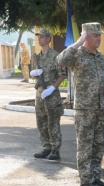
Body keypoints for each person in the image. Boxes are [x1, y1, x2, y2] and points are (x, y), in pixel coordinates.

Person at [57, 22, 104, 186]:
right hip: (85, 108)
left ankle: (95, 177)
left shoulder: (101, 57)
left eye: (99, 35)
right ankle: (86, 180)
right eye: (95, 35)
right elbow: (60, 60)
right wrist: (78, 42)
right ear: (85, 36)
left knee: (98, 145)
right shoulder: (77, 55)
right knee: (85, 145)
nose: (99, 38)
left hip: (101, 108)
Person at [31, 29, 66, 160]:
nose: (39, 39)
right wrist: (33, 74)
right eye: (38, 37)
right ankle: (46, 147)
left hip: (51, 94)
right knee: (41, 121)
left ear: (48, 39)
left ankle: (55, 149)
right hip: (40, 94)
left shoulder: (56, 56)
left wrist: (52, 88)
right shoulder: (37, 57)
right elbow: (36, 76)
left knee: (53, 122)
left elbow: (62, 75)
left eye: (42, 37)